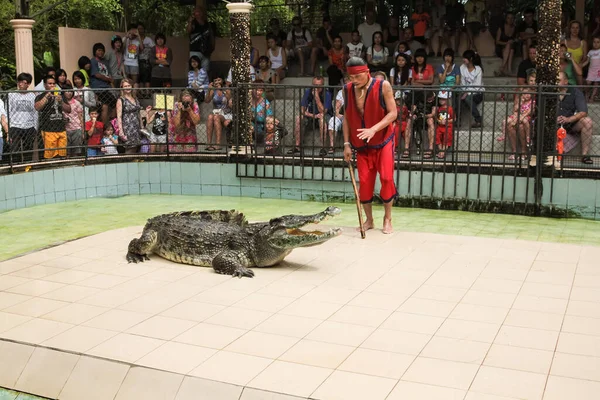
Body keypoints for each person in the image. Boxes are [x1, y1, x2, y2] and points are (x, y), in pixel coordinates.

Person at [342, 57, 398, 234]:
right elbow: (347, 118)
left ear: (367, 73)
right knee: (365, 183)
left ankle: (387, 218)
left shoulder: (383, 86)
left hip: (382, 140)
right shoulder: (347, 90)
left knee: (387, 178)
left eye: (358, 77)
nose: (354, 81)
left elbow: (393, 113)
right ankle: (369, 220)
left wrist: (373, 129)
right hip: (361, 145)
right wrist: (346, 144)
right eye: (351, 78)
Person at [557, 71, 594, 164]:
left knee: (587, 121)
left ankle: (584, 155)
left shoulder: (575, 91)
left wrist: (568, 119)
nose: (554, 82)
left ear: (565, 81)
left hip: (571, 124)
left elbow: (583, 112)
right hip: (554, 124)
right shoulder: (549, 90)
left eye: (558, 80)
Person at [34, 75, 72, 159]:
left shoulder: (60, 95)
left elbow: (69, 109)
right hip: (48, 129)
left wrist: (61, 102)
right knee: (50, 156)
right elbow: (37, 107)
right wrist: (47, 95)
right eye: (49, 84)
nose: (52, 86)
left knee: (62, 154)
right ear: (45, 85)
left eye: (54, 84)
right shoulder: (40, 96)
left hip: (61, 128)